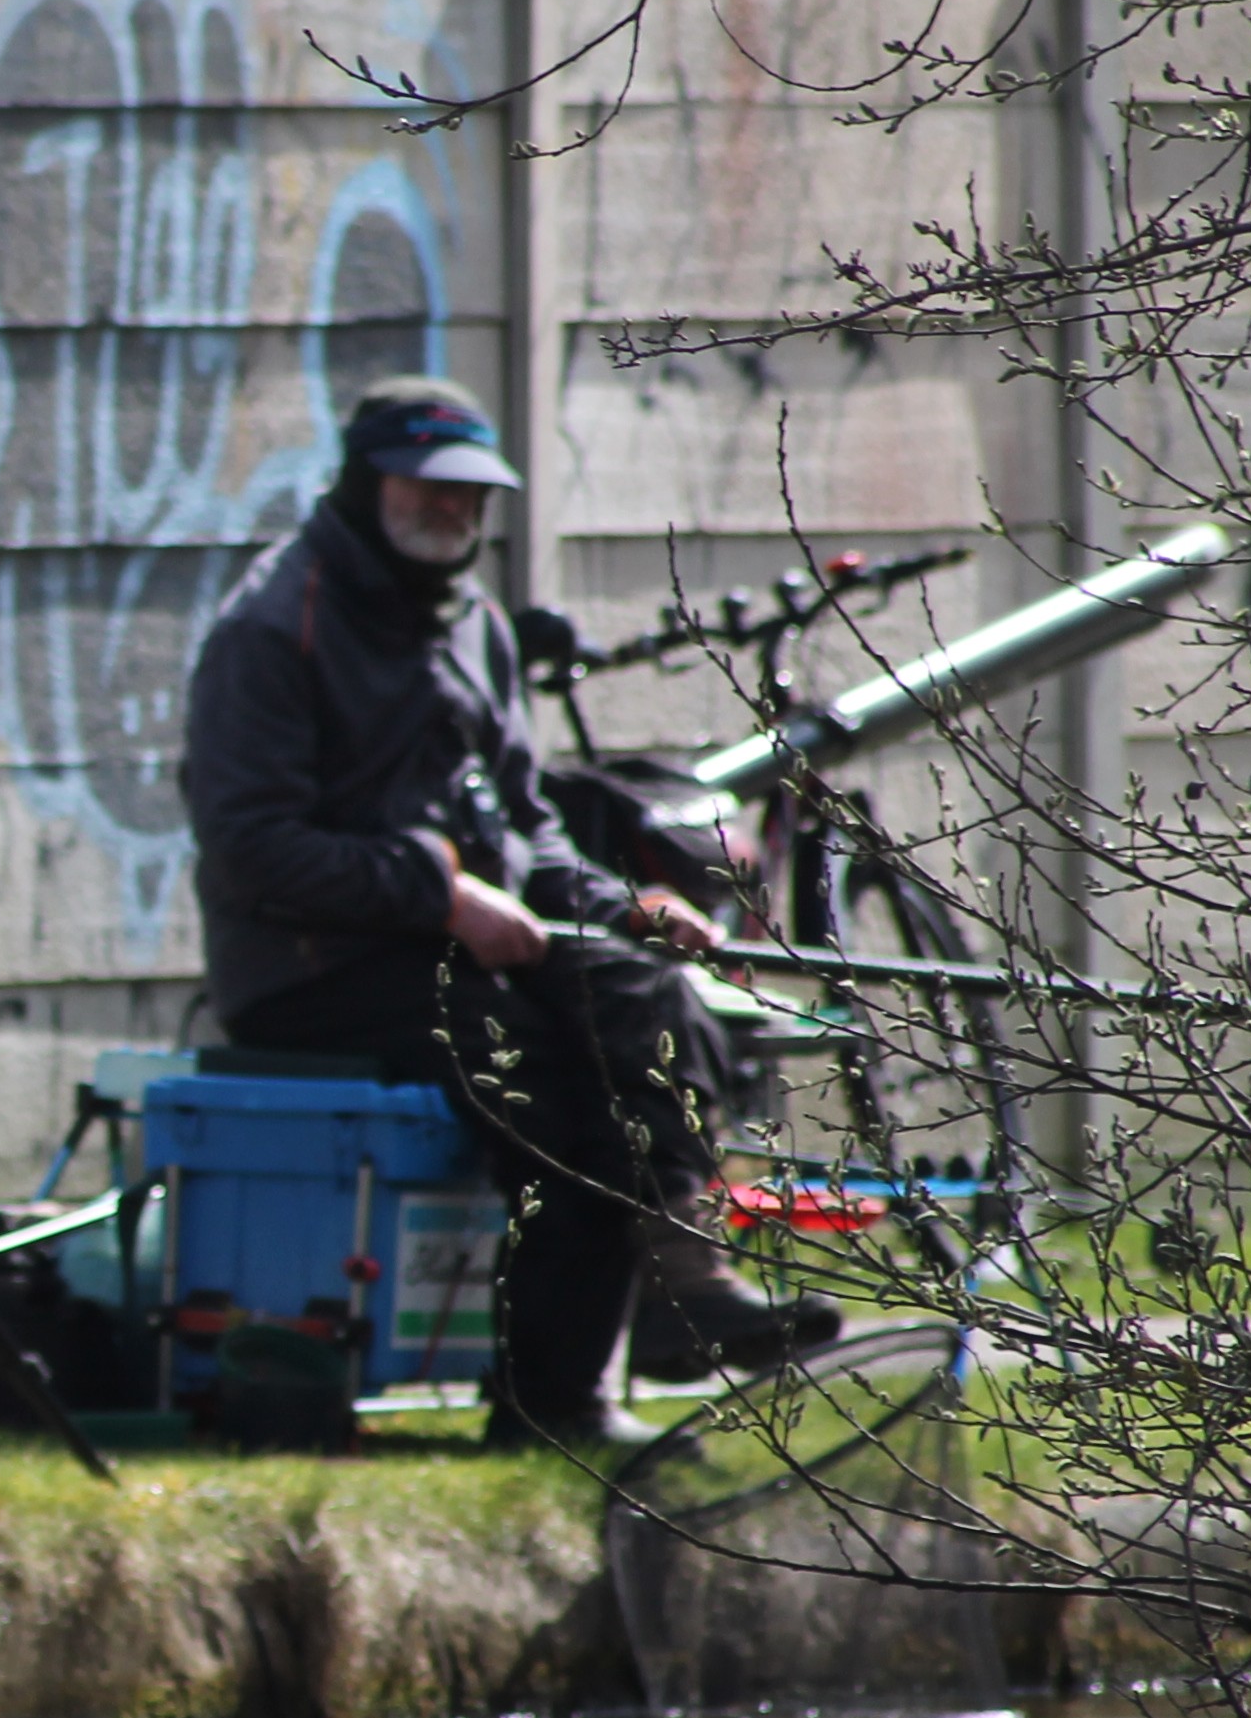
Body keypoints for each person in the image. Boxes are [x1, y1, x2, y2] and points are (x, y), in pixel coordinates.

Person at [178, 376, 841, 1450]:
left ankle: (683, 1277)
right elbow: (254, 847)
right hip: (318, 968)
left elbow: (526, 830)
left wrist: (628, 907)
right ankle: (559, 1399)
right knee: (545, 1085)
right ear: (366, 480)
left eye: (472, 493)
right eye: (429, 487)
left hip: (465, 951)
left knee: (647, 991)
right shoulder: (271, 627)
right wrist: (435, 892)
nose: (454, 511)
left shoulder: (475, 625)